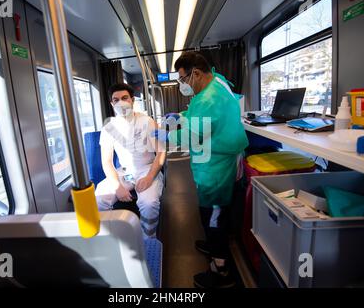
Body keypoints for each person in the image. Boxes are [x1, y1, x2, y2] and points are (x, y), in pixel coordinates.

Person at [155, 52, 249, 288]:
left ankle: (222, 271)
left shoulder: (210, 100)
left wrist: (167, 135)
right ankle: (212, 244)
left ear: (196, 73)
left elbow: (190, 137)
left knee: (213, 214)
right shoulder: (213, 83)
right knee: (210, 210)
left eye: (183, 79)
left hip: (216, 164)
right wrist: (182, 115)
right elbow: (196, 112)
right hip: (215, 157)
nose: (182, 85)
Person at [95, 83, 166, 239]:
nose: (120, 102)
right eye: (116, 99)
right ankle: (109, 237)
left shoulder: (147, 121)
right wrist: (117, 186)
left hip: (147, 169)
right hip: (126, 172)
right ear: (111, 103)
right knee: (99, 198)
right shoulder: (109, 127)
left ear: (132, 100)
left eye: (124, 98)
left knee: (149, 204)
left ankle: (148, 237)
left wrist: (149, 177)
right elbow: (106, 161)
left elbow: (161, 152)